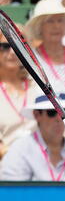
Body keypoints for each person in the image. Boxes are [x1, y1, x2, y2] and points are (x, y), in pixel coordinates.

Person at [1, 89, 65, 181]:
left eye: (64, 112)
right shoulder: (20, 149)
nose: (59, 119)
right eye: (52, 112)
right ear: (37, 115)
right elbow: (13, 193)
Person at [25, 0, 65, 92]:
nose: (56, 26)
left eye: (60, 20)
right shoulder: (30, 60)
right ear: (39, 26)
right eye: (50, 21)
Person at [0, 30, 36, 164]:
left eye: (17, 45)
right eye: (5, 46)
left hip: (44, 164)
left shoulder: (39, 87)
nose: (12, 52)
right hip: (6, 166)